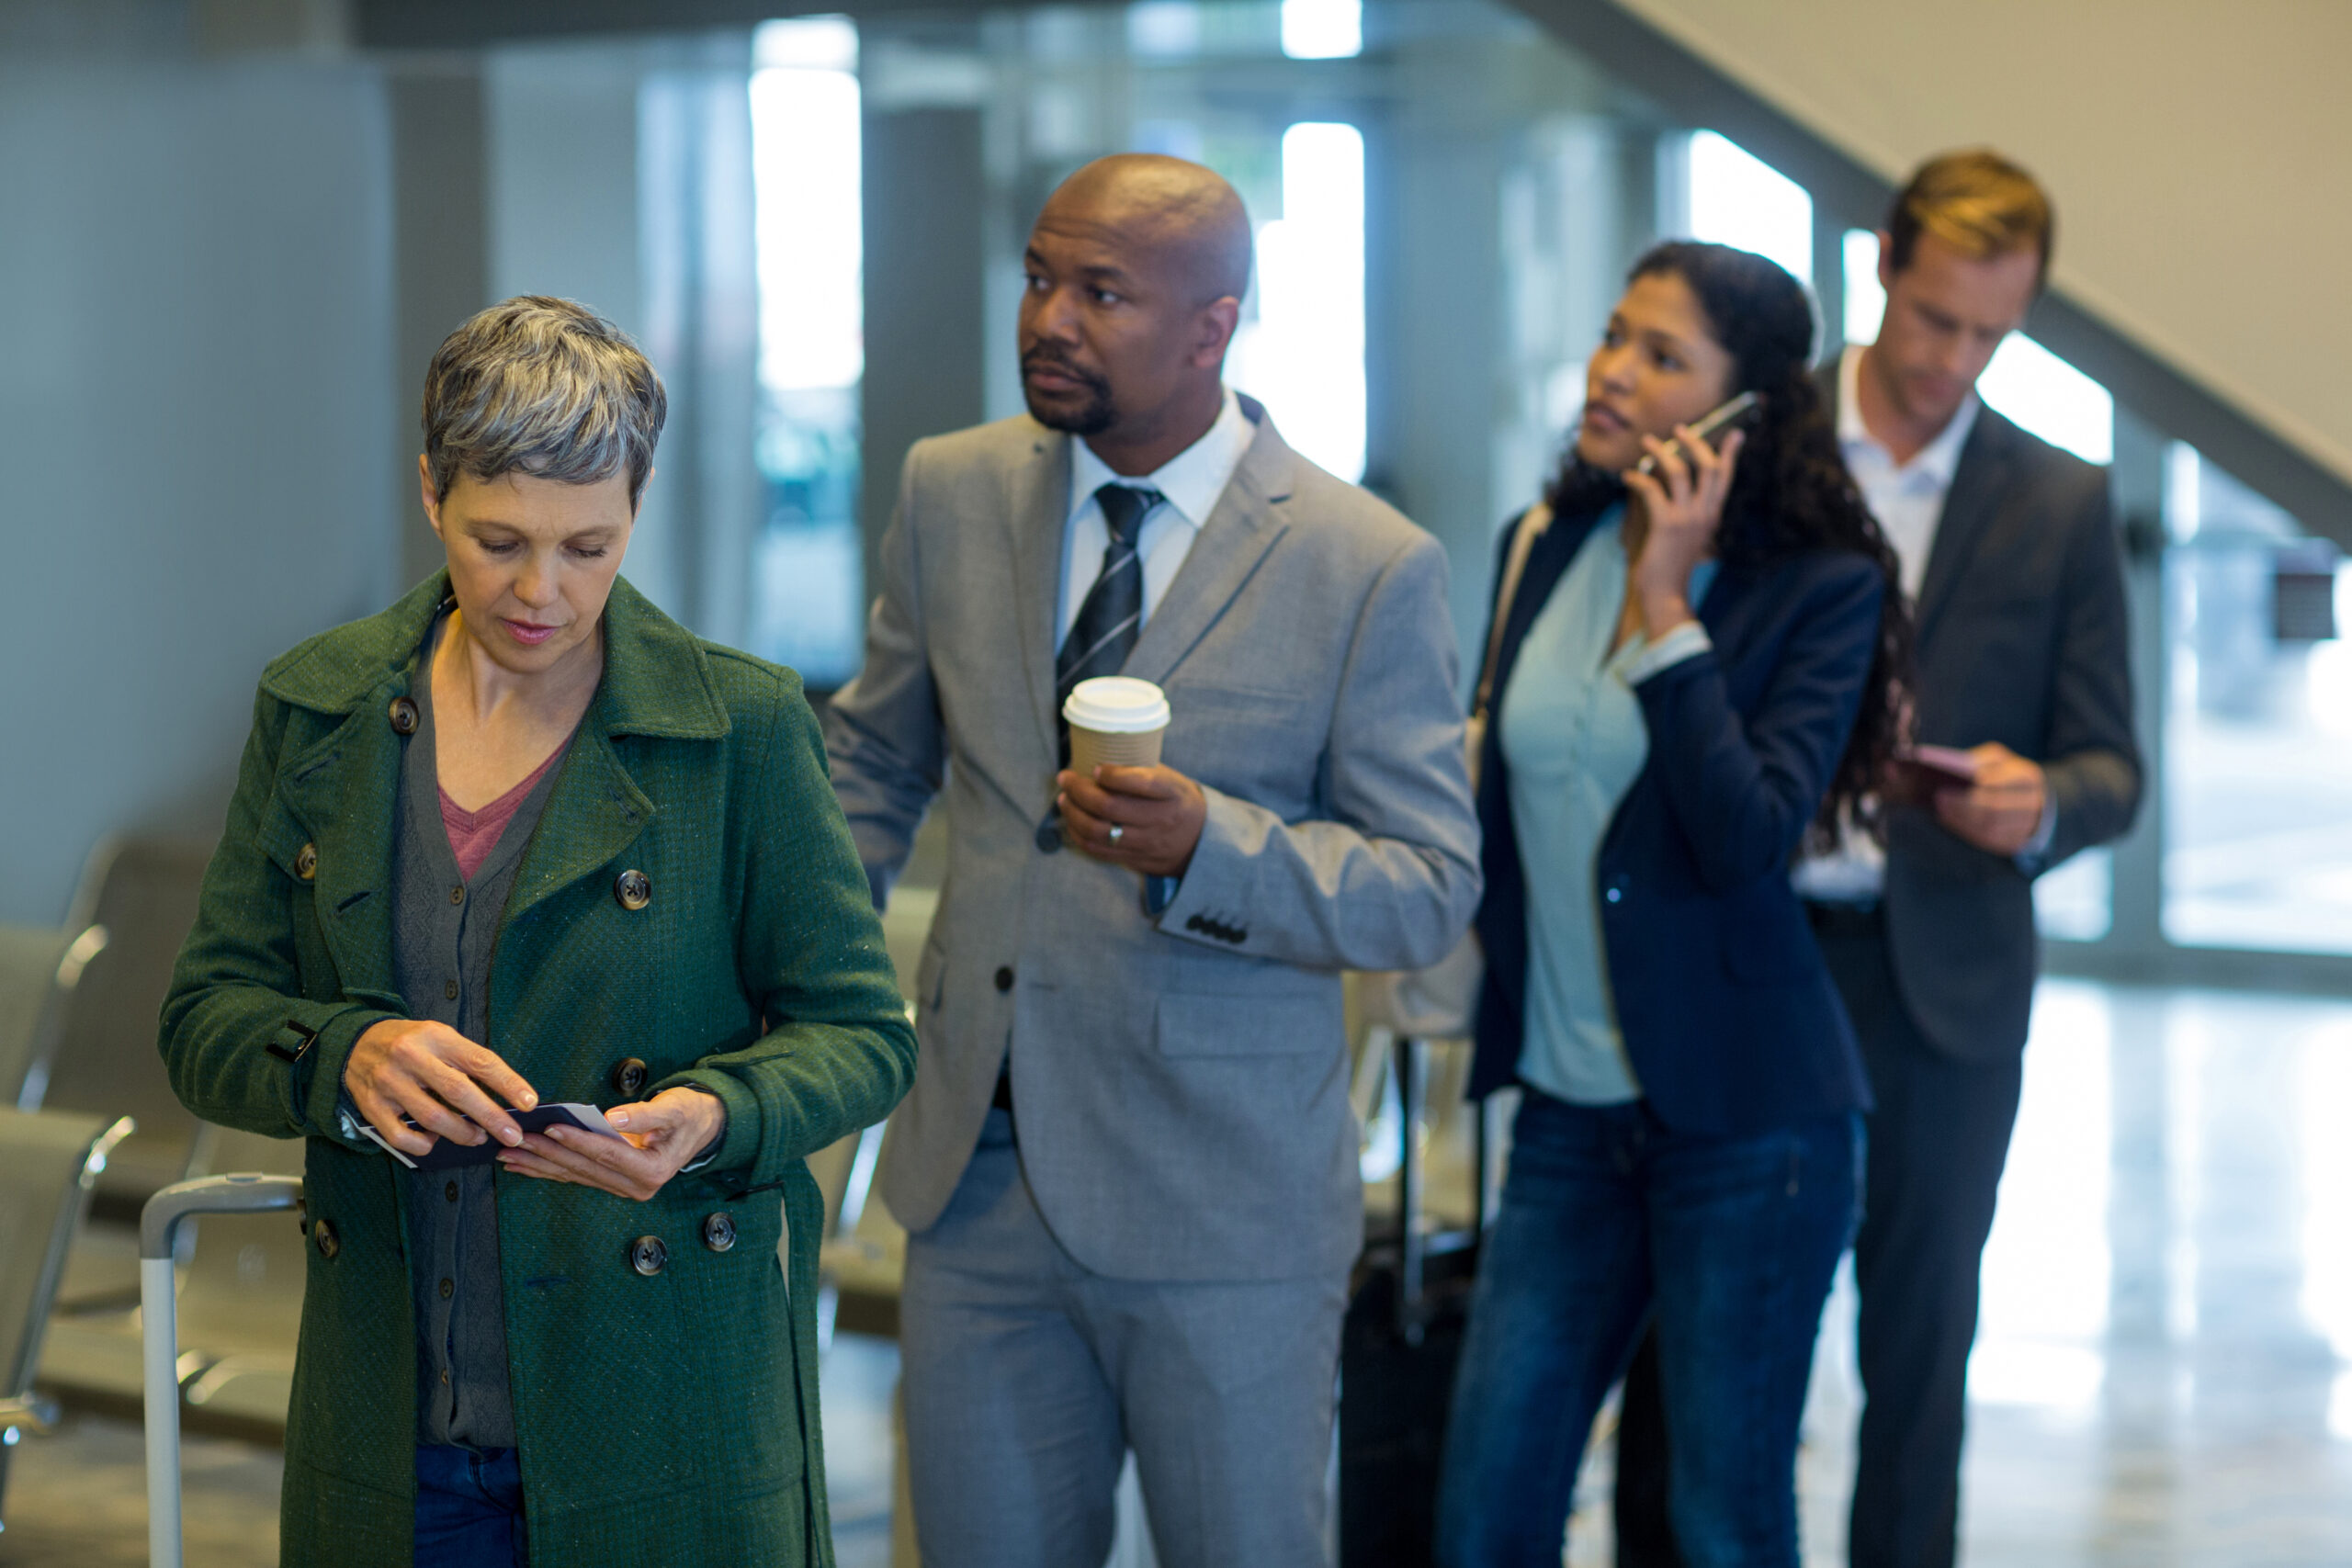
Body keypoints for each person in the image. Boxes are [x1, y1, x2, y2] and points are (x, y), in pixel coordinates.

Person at [160, 297, 916, 1568]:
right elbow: (205, 1018)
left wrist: (716, 1117)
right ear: (428, 490)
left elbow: (860, 1033)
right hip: (394, 1415)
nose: (540, 592)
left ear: (639, 502)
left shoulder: (742, 726)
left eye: (589, 546)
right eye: (497, 539)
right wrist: (341, 1054)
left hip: (663, 1404)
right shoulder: (320, 709)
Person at [823, 153, 1480, 1567]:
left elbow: (1428, 881)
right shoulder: (951, 489)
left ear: (1212, 325)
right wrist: (791, 954)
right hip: (973, 1183)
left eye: (1100, 291)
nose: (1049, 317)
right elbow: (875, 760)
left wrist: (1210, 852)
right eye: (1040, 278)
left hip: (1224, 1206)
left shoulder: (1367, 563)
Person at [1611, 152, 2142, 1568]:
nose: (1954, 362)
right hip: (1743, 948)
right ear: (1887, 268)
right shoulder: (1749, 439)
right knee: (1700, 1350)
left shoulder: (2059, 501)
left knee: (1919, 1356)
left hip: (1941, 985)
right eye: (1934, 321)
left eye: (1992, 336)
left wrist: (2047, 803)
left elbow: (2112, 769)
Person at [1434, 241, 1911, 1568]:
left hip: (1752, 1128)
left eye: (1662, 356)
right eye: (1612, 335)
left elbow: (1748, 835)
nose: (1611, 372)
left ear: (1746, 408)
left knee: (1724, 1520)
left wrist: (1664, 599)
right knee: (1485, 1514)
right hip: (1566, 1118)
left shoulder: (1821, 590)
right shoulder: (1543, 540)